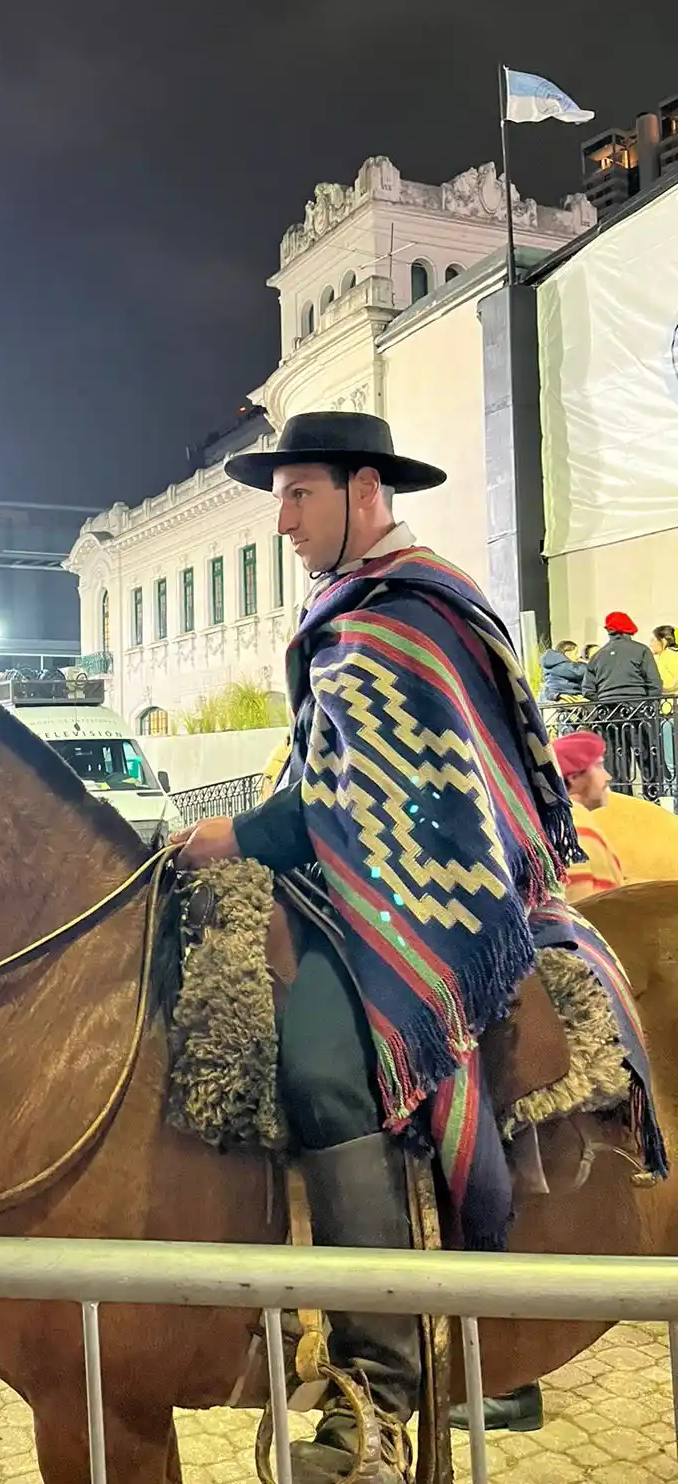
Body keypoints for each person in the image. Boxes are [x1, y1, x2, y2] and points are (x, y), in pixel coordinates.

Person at [174, 412, 665, 1481]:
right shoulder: (348, 610)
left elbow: (379, 793)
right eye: (279, 499)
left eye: (299, 494)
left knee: (324, 1068)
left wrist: (237, 834)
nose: (284, 520)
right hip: (348, 881)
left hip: (428, 908)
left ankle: (379, 1395)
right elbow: (331, 780)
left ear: (364, 491)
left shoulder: (407, 614)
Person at [583, 614, 663, 794]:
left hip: (608, 715)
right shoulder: (641, 650)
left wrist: (604, 701)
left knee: (617, 759)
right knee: (647, 755)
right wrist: (647, 704)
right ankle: (653, 798)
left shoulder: (597, 656)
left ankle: (623, 802)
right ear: (629, 630)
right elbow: (655, 684)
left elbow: (587, 689)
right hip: (638, 710)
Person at [553, 732, 623, 901]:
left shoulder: (565, 819)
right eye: (599, 766)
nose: (608, 777)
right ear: (574, 777)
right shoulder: (575, 821)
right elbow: (586, 905)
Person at [651, 626, 678, 781]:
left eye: (653, 640)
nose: (651, 644)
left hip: (670, 711)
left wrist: (658, 686)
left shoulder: (669, 655)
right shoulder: (663, 656)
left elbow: (673, 681)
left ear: (662, 640)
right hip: (667, 711)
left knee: (670, 759)